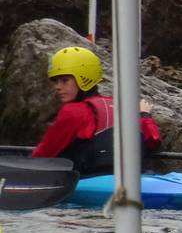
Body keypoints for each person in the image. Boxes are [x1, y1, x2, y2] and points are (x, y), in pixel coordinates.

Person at [32, 46, 161, 175]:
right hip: (133, 177)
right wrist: (144, 115)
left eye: (65, 80)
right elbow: (152, 141)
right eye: (56, 81)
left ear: (84, 78)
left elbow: (44, 155)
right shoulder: (118, 105)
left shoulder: (73, 111)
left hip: (90, 180)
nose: (58, 87)